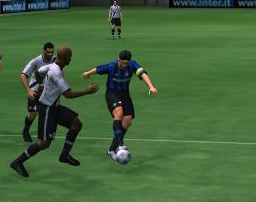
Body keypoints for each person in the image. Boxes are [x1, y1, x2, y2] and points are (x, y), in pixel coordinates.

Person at [10, 46, 98, 177]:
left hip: (55, 107)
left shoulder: (51, 65)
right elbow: (68, 94)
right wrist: (86, 91)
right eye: (69, 56)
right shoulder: (57, 73)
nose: (71, 59)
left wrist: (42, 86)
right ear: (65, 58)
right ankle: (17, 162)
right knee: (44, 143)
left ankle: (64, 155)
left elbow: (39, 72)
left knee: (76, 124)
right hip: (48, 109)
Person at [87, 49, 158, 157]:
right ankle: (120, 145)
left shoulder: (133, 65)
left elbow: (142, 74)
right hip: (112, 93)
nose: (124, 65)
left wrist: (151, 86)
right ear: (119, 60)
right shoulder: (112, 66)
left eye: (126, 63)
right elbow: (98, 69)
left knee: (128, 121)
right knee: (119, 112)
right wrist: (87, 73)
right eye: (123, 63)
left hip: (125, 94)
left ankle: (111, 149)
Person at [18, 41, 57, 142]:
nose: (50, 54)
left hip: (47, 92)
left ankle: (45, 134)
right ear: (43, 51)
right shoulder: (36, 61)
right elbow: (23, 75)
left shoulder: (55, 60)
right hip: (35, 91)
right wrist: (29, 91)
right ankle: (25, 130)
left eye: (52, 52)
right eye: (48, 52)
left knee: (47, 113)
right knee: (33, 114)